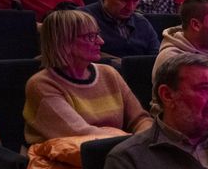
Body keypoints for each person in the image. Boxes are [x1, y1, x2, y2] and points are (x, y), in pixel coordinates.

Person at [23, 9, 152, 144]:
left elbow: (140, 119)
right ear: (64, 41)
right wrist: (135, 145)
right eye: (90, 36)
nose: (101, 41)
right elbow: (82, 135)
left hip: (117, 150)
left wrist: (145, 139)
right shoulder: (42, 84)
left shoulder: (109, 73)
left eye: (98, 34)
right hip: (66, 160)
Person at [80, 0, 159, 58]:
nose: (131, 7)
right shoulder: (82, 19)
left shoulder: (142, 23)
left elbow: (156, 59)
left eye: (136, 1)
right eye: (123, 0)